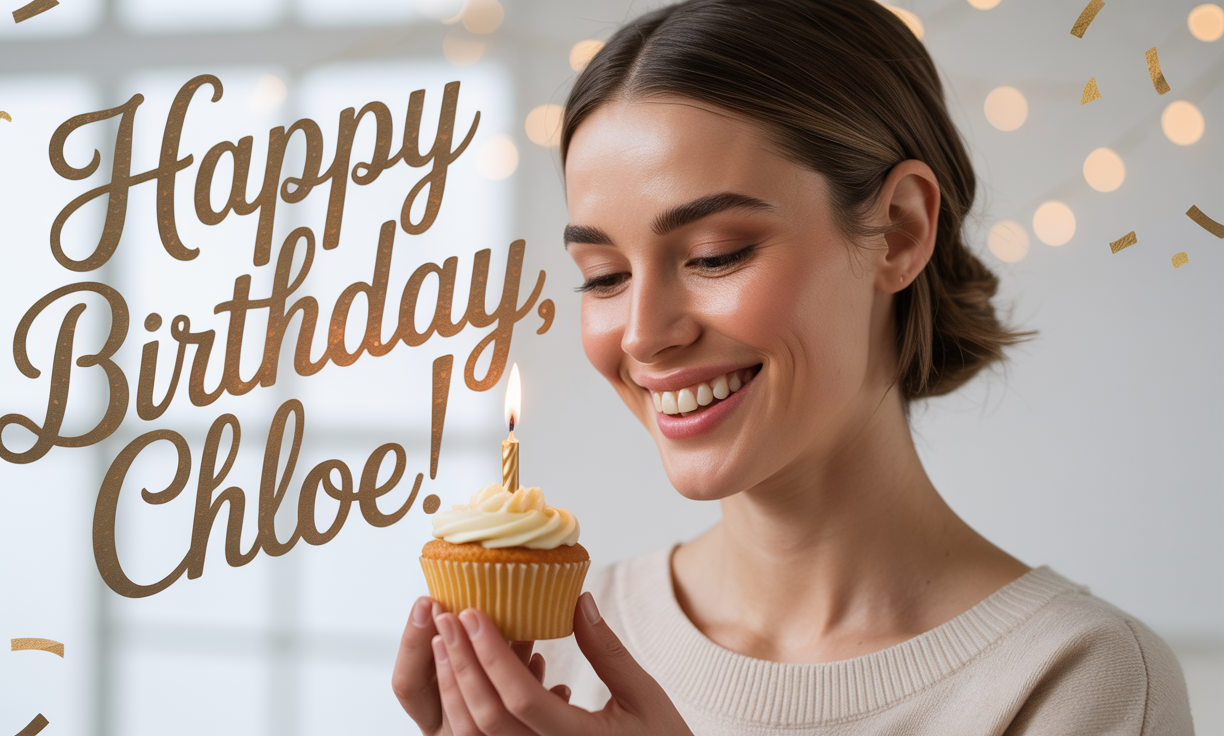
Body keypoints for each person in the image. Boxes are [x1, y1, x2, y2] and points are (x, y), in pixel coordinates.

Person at [391, 0, 1195, 733]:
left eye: (715, 255)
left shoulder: (1075, 682)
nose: (642, 334)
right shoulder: (549, 657)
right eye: (603, 276)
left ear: (900, 231)